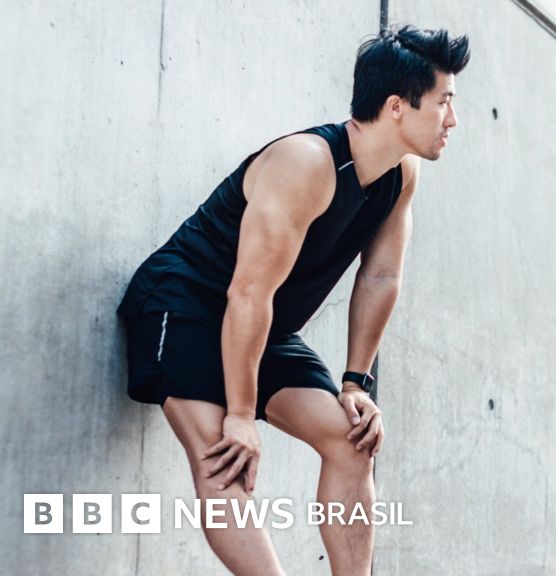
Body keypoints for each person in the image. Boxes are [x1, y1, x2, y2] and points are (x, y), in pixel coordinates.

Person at [115, 24, 470, 575]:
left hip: (264, 325)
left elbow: (380, 277)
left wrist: (355, 383)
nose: (453, 119)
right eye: (444, 101)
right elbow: (248, 290)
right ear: (397, 106)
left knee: (351, 441)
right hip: (183, 305)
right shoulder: (304, 163)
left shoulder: (400, 173)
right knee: (224, 458)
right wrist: (240, 415)